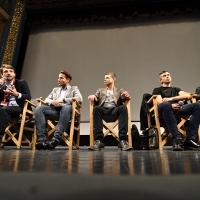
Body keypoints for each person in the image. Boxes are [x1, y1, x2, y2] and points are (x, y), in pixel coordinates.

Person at [34, 70, 83, 150]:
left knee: (66, 107)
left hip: (67, 110)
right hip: (55, 110)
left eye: (61, 78)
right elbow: (47, 99)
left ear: (68, 80)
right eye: (58, 78)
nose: (59, 80)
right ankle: (41, 139)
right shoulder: (55, 90)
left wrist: (63, 100)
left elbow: (79, 98)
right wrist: (52, 102)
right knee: (39, 109)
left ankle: (55, 139)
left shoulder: (74, 88)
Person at [152, 70, 200, 151]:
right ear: (160, 80)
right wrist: (171, 105)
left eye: (168, 75)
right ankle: (177, 139)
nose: (167, 76)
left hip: (179, 108)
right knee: (166, 104)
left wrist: (172, 98)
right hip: (165, 109)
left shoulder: (176, 89)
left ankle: (190, 139)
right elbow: (159, 101)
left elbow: (188, 95)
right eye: (164, 75)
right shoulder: (157, 90)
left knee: (198, 106)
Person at [88, 72, 133, 151]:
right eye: (104, 78)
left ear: (113, 79)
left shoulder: (119, 90)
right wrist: (93, 96)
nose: (105, 79)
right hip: (104, 109)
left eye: (107, 78)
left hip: (115, 109)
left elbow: (124, 97)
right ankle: (99, 140)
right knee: (96, 109)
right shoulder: (100, 90)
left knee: (123, 108)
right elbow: (96, 96)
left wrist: (126, 96)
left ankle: (122, 140)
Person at [0, 64, 31, 142]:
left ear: (14, 74)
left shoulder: (21, 82)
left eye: (11, 71)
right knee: (3, 109)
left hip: (17, 107)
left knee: (4, 109)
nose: (8, 73)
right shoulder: (2, 85)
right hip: (3, 107)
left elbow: (28, 96)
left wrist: (16, 94)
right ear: (2, 74)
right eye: (6, 71)